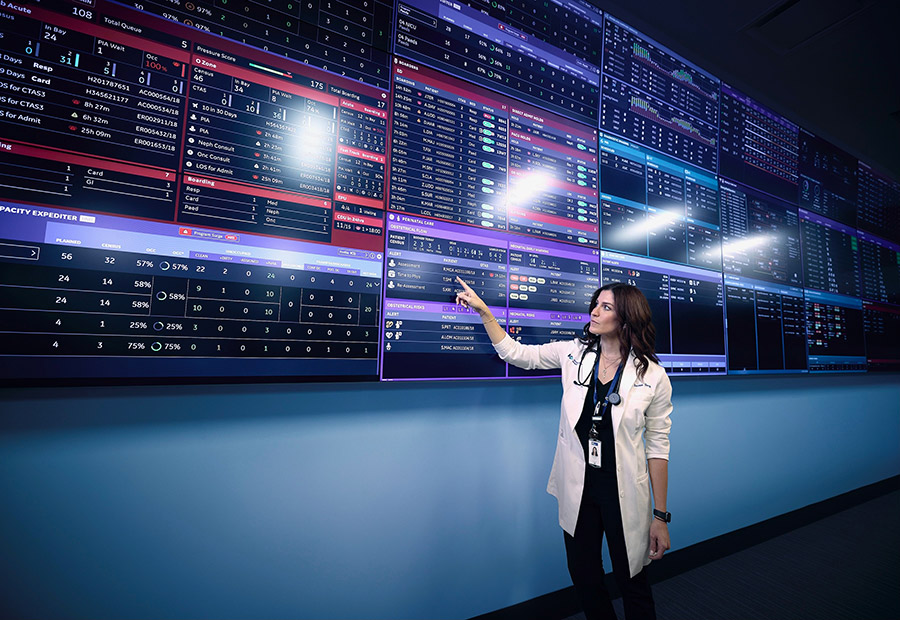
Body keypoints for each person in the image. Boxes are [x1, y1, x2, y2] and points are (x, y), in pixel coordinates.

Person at [455, 276, 672, 620]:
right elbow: (516, 353)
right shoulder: (574, 353)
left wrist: (660, 517)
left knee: (633, 581)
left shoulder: (653, 376)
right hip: (580, 489)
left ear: (626, 318)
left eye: (605, 307)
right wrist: (485, 313)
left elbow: (658, 448)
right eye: (595, 304)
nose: (594, 312)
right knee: (585, 577)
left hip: (624, 493)